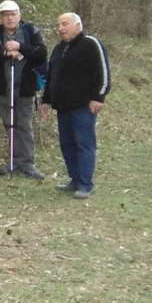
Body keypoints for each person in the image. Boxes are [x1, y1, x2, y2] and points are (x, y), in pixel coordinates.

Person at [40, 12, 110, 199]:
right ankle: (75, 179)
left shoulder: (90, 44)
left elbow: (102, 73)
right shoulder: (57, 49)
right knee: (67, 144)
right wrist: (46, 101)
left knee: (84, 144)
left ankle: (86, 184)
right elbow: (51, 77)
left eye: (65, 24)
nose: (60, 29)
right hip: (62, 106)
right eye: (58, 25)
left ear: (78, 25)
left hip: (83, 107)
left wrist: (99, 97)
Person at [0, 0, 48, 179]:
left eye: (13, 14)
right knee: (10, 125)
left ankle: (28, 164)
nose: (9, 18)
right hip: (2, 88)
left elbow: (41, 54)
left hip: (24, 88)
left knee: (24, 126)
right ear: (0, 17)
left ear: (19, 15)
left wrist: (20, 48)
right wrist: (4, 53)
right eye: (5, 15)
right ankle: (14, 161)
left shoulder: (30, 31)